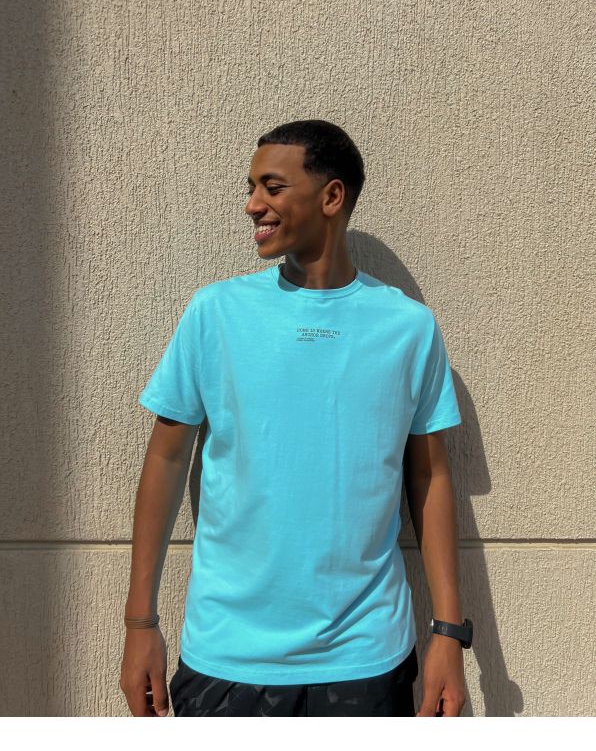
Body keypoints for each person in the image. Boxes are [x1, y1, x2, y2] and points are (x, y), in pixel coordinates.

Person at [119, 119, 468, 717]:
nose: (253, 204)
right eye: (252, 187)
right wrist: (139, 623)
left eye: (272, 187)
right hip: (227, 654)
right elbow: (167, 458)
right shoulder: (216, 313)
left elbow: (430, 476)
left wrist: (448, 633)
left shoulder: (408, 327)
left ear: (331, 196)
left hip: (367, 657)